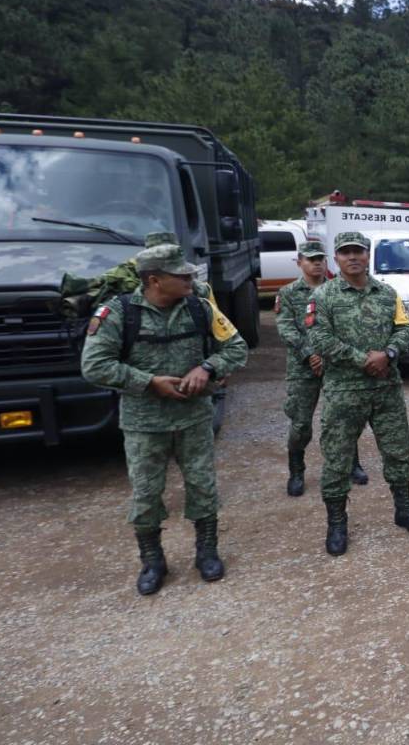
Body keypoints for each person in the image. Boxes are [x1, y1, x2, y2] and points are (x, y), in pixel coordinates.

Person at [81, 240, 248, 596]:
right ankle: (153, 561)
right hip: (145, 423)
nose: (190, 278)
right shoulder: (118, 314)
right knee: (146, 494)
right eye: (180, 274)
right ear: (154, 280)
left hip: (194, 418)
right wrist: (149, 383)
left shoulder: (201, 308)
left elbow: (236, 347)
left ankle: (206, 552)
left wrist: (207, 367)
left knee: (203, 485)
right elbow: (94, 365)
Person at [307, 231, 409, 556]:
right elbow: (319, 338)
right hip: (343, 393)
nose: (353, 257)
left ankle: (404, 509)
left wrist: (388, 354)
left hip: (386, 390)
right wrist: (363, 359)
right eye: (346, 252)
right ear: (337, 258)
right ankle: (336, 522)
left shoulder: (387, 293)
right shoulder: (324, 297)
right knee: (336, 459)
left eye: (358, 251)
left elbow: (406, 328)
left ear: (367, 255)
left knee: (398, 452)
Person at [275, 240, 368, 497]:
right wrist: (310, 354)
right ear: (300, 262)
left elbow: (347, 329)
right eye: (310, 258)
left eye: (320, 258)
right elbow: (286, 329)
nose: (316, 263)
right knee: (301, 423)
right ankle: (297, 469)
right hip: (303, 368)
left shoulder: (337, 290)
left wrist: (327, 355)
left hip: (334, 365)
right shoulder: (288, 293)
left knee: (345, 416)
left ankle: (352, 463)